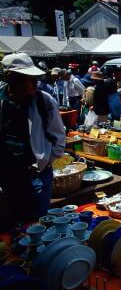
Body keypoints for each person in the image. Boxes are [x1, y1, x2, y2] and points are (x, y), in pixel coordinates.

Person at [0, 53, 65, 230]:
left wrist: (43, 163)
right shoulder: (2, 101)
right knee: (15, 223)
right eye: (29, 79)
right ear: (12, 78)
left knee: (38, 224)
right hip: (9, 177)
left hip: (36, 174)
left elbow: (59, 137)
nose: (35, 83)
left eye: (35, 78)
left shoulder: (44, 100)